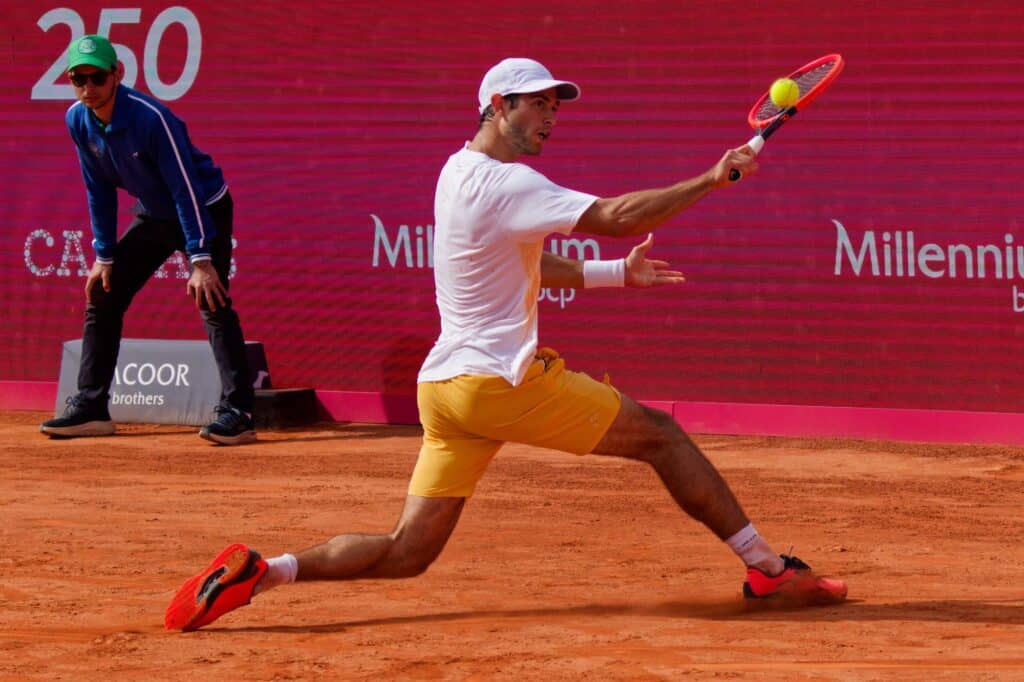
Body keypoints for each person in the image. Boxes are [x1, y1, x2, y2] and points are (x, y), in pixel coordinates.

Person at [165, 57, 846, 631]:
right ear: (498, 105)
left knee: (409, 552)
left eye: (556, 106)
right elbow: (614, 216)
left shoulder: (454, 172)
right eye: (537, 105)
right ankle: (769, 572)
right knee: (662, 435)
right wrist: (708, 179)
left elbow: (520, 262)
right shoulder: (513, 183)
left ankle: (264, 570)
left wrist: (617, 276)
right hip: (500, 384)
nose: (550, 116)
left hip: (445, 393)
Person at [40, 35, 256, 445]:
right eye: (78, 79)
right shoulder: (77, 119)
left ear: (116, 74)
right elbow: (97, 187)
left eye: (97, 78)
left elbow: (185, 188)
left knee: (211, 298)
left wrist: (200, 257)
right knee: (104, 293)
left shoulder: (152, 118)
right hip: (155, 213)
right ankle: (90, 407)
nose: (88, 88)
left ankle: (239, 411)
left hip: (202, 206)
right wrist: (103, 254)